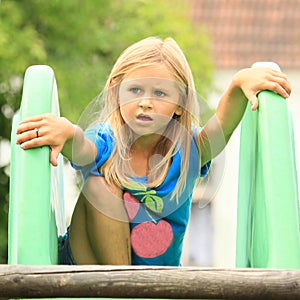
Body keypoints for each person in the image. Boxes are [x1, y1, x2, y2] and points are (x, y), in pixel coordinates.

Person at [16, 37, 291, 266]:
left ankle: (132, 288)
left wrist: (238, 85)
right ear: (116, 93)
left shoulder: (188, 151)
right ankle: (125, 289)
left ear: (181, 103)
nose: (145, 102)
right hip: (89, 265)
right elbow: (84, 151)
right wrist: (68, 134)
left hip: (154, 278)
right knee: (99, 186)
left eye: (160, 94)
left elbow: (221, 127)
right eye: (134, 90)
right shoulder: (107, 138)